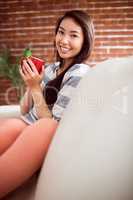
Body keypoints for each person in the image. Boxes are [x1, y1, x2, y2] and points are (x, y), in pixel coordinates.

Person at [0, 10, 94, 198]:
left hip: (44, 133)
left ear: (85, 41)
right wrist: (29, 84)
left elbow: (51, 123)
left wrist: (36, 86)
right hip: (27, 126)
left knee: (45, 125)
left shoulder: (79, 73)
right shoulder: (51, 69)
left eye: (73, 35)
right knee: (15, 124)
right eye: (61, 32)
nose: (64, 40)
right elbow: (25, 110)